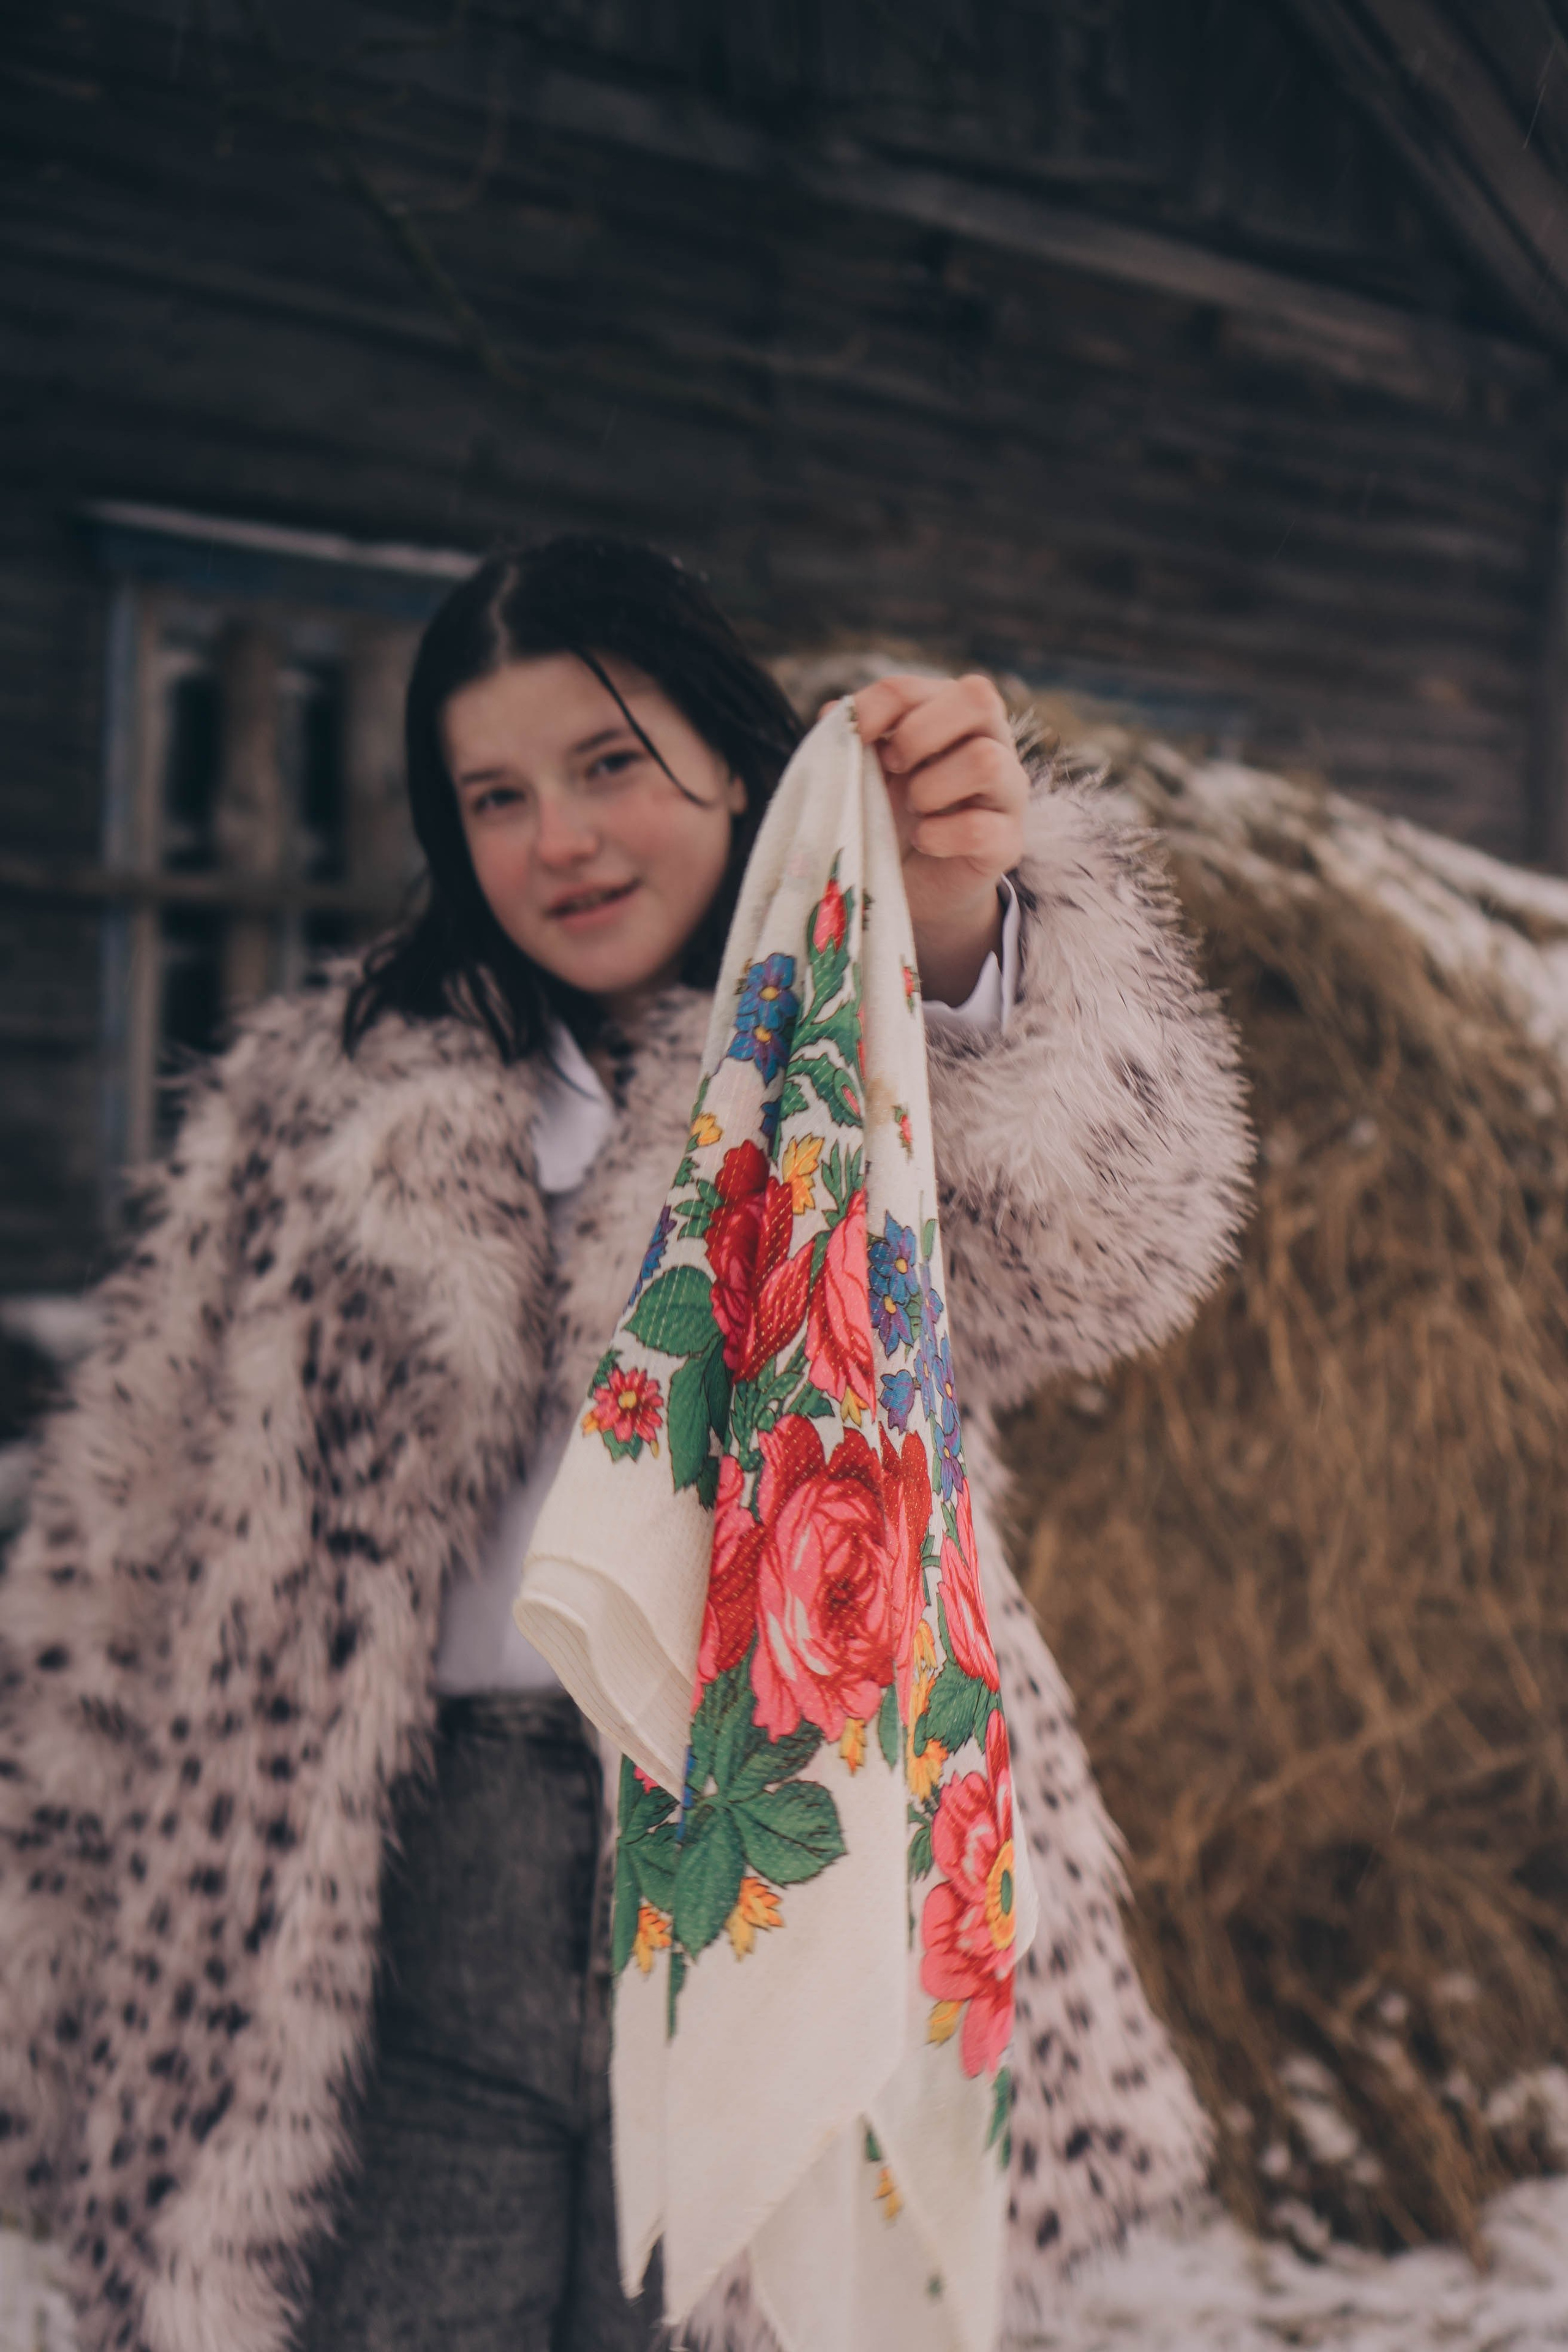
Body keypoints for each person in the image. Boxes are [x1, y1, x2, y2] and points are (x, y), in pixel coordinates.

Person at [0, 537, 1250, 2352]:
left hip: (768, 1862)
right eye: (495, 797)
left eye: (607, 764)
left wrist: (963, 934)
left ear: (735, 761)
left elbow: (1095, 1260)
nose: (559, 841)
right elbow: (116, 1533)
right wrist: (41, 1929)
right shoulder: (321, 1094)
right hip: (382, 1903)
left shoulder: (846, 1058)